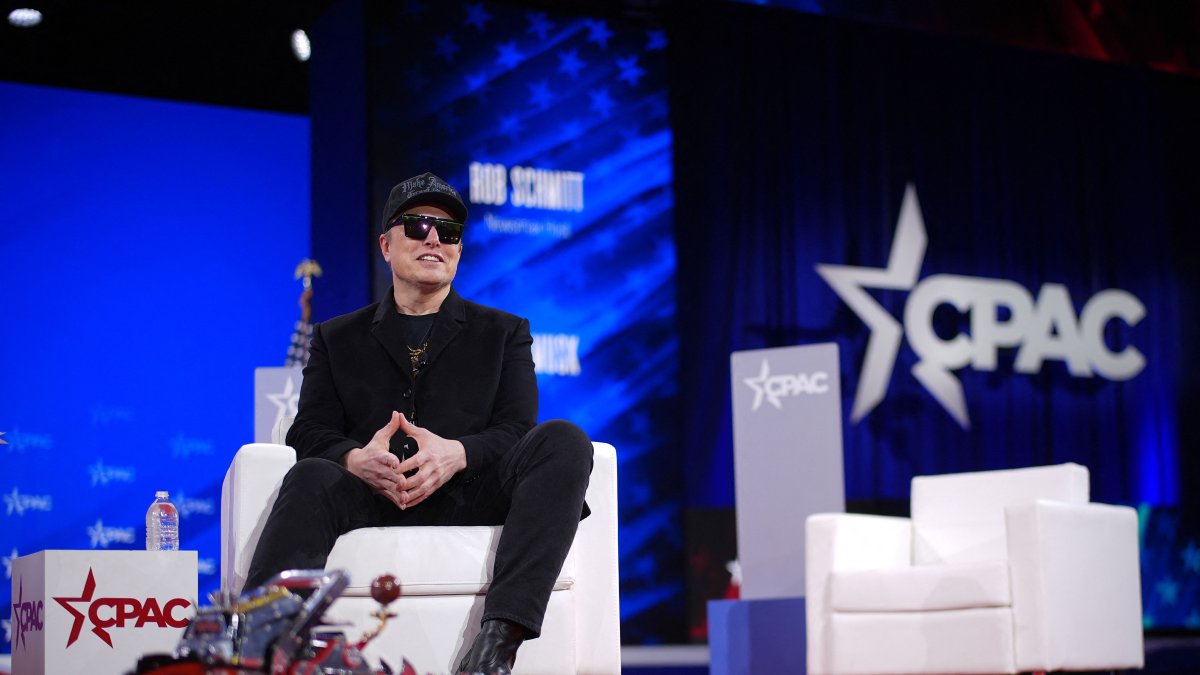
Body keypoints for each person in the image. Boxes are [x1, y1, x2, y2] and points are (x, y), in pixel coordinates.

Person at [245, 172, 594, 675]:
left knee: (564, 440)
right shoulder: (336, 337)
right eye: (418, 225)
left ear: (457, 251)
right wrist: (354, 458)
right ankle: (263, 651)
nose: (434, 238)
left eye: (448, 232)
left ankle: (495, 650)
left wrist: (458, 453)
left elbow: (517, 429)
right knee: (310, 474)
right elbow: (309, 430)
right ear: (386, 245)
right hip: (371, 495)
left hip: (469, 492)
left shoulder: (504, 332)